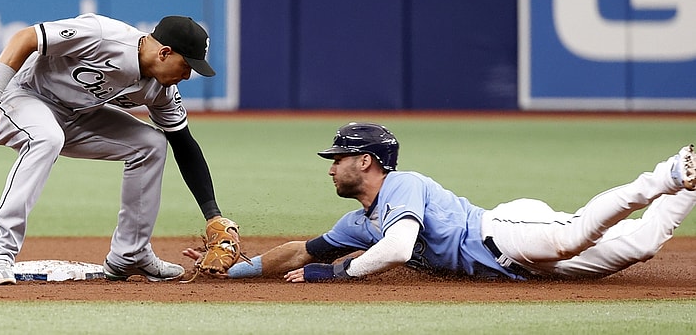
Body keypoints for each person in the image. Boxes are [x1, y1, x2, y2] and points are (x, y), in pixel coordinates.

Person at [184, 122, 696, 282]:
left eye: (339, 156)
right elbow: (300, 250)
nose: (331, 165)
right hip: (522, 269)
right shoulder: (360, 222)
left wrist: (334, 274)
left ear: (367, 162)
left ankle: (668, 174)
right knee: (643, 244)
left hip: (503, 231)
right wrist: (232, 273)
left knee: (569, 236)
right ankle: (690, 176)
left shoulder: (403, 185)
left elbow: (399, 249)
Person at [0, 13, 236, 285]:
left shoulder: (160, 90)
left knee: (150, 144)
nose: (188, 75)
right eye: (186, 65)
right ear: (165, 52)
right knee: (46, 138)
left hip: (73, 115)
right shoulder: (103, 35)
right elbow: (25, 38)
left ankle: (129, 255)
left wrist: (213, 215)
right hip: (21, 95)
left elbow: (184, 143)